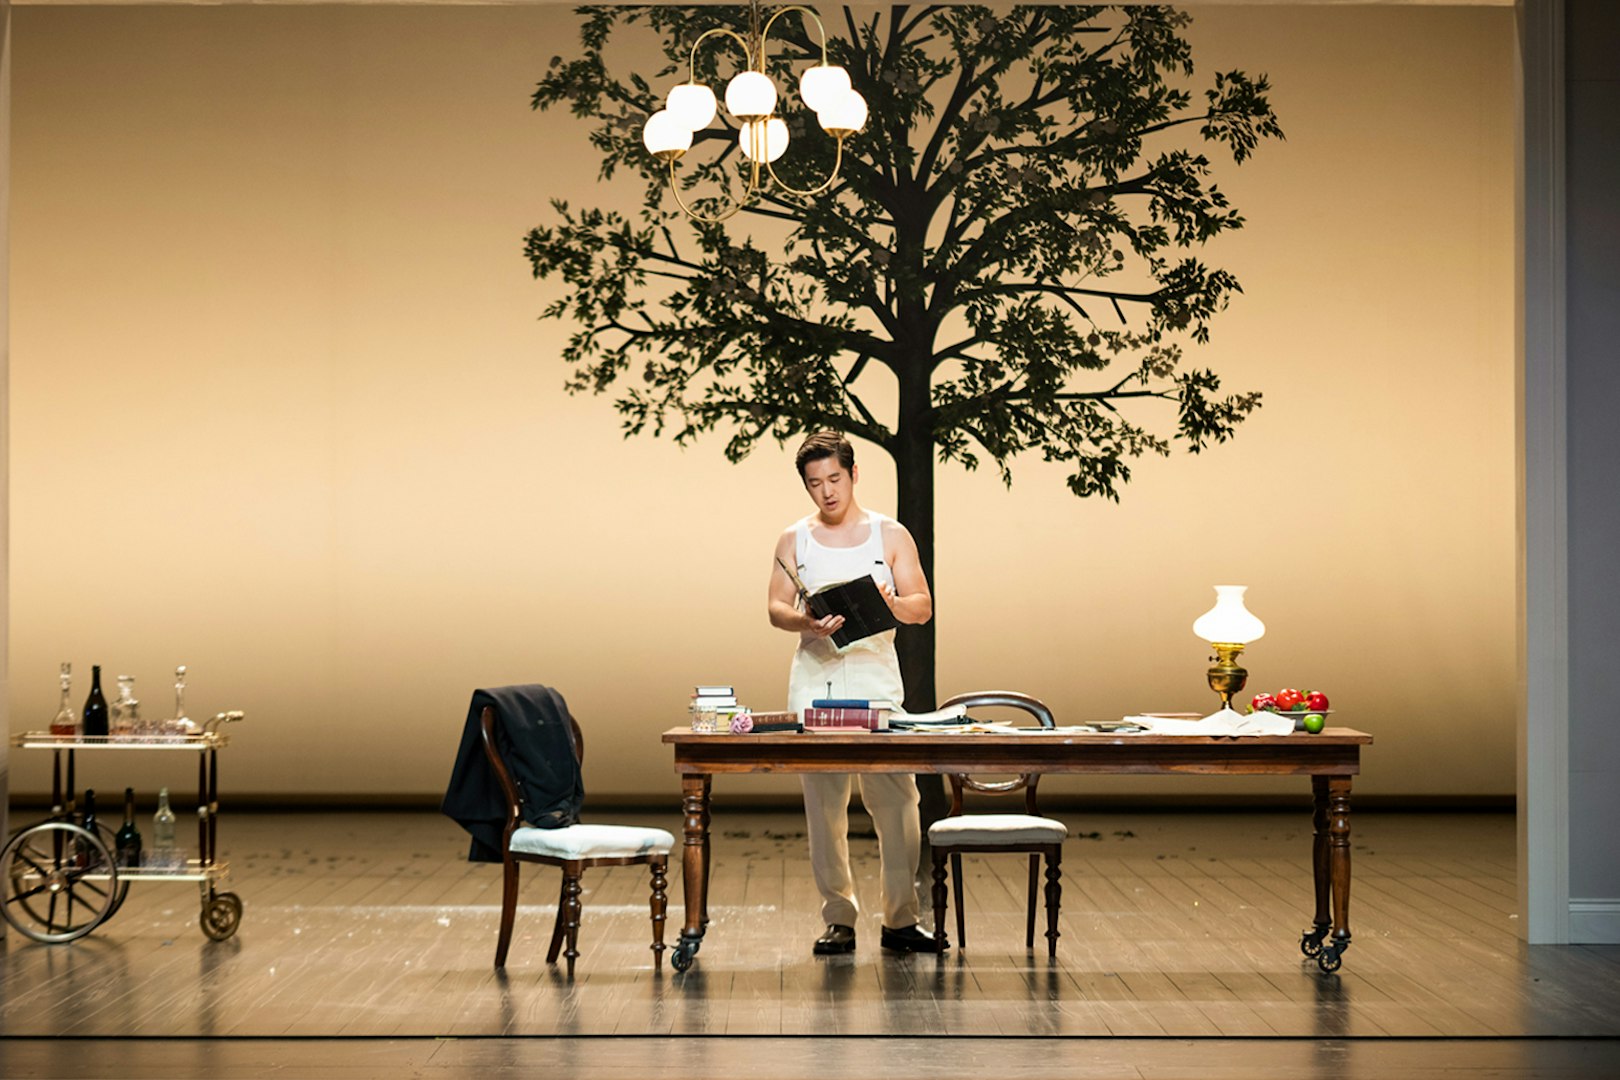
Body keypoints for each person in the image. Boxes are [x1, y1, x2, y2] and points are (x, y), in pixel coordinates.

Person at [767, 431, 942, 955]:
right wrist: (805, 620)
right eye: (815, 483)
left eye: (835, 479)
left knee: (896, 799)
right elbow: (775, 607)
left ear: (854, 474)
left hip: (873, 677)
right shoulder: (792, 538)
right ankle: (839, 916)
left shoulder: (889, 534)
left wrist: (890, 601)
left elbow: (922, 606)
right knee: (824, 803)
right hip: (816, 676)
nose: (827, 492)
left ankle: (901, 918)